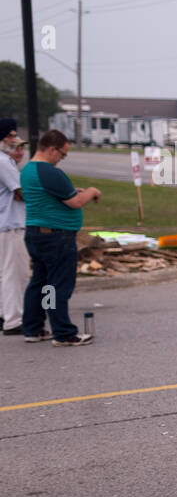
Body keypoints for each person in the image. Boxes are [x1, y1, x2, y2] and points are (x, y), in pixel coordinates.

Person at [20, 130, 99, 345]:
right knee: (57, 286)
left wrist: (73, 191)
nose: (61, 159)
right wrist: (91, 191)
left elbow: (53, 195)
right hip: (56, 237)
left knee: (41, 283)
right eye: (62, 154)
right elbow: (75, 202)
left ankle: (33, 328)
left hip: (37, 233)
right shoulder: (48, 171)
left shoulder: (28, 170)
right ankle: (63, 332)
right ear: (52, 149)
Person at [0, 119, 27, 335]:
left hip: (4, 224)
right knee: (14, 274)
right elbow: (20, 193)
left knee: (4, 273)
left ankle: (4, 314)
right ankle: (14, 320)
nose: (14, 140)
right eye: (9, 136)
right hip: (11, 225)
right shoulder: (3, 161)